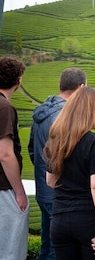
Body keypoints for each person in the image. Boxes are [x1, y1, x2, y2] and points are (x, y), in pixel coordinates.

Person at [43, 86, 95, 260]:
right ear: (89, 110)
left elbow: (50, 181)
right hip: (88, 220)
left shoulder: (58, 139)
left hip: (59, 220)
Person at [28, 67, 87, 260]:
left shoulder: (42, 113)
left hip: (43, 189)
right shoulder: (65, 116)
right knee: (58, 251)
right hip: (60, 194)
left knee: (48, 246)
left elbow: (32, 150)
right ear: (81, 88)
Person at [0, 56, 29, 260]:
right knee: (10, 249)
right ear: (18, 80)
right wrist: (19, 192)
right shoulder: (4, 108)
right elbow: (5, 154)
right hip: (3, 188)